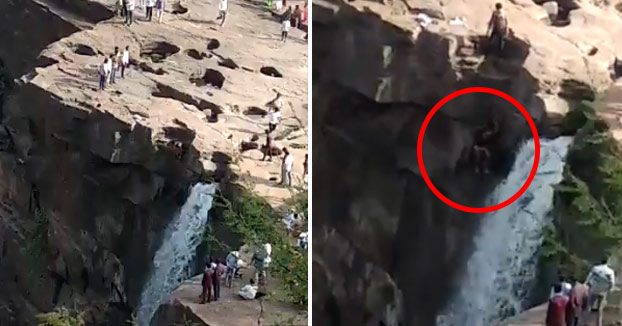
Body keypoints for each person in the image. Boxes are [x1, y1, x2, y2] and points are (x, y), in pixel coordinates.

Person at [586, 260, 615, 326]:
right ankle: (599, 324)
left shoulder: (595, 268)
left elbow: (589, 278)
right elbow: (612, 283)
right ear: (607, 262)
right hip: (603, 291)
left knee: (589, 306)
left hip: (594, 290)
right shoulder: (610, 271)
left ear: (600, 262)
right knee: (600, 308)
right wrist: (609, 289)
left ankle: (586, 321)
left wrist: (588, 285)